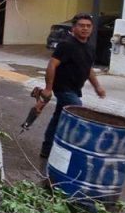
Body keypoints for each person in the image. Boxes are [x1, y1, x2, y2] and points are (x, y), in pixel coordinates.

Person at [39, 13, 107, 158]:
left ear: (92, 28)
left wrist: (97, 87)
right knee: (77, 110)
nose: (85, 29)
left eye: (88, 26)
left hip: (75, 89)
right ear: (74, 28)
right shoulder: (66, 45)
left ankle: (47, 148)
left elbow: (88, 69)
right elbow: (52, 65)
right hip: (63, 88)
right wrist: (48, 88)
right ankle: (80, 149)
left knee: (58, 117)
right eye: (81, 25)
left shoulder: (89, 48)